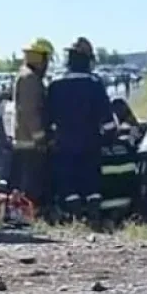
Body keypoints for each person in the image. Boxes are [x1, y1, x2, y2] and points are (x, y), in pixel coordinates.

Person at [46, 37, 117, 229]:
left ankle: (73, 217)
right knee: (91, 181)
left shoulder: (56, 84)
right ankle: (94, 216)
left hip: (64, 143)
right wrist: (110, 138)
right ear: (87, 60)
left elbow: (47, 117)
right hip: (90, 141)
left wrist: (50, 139)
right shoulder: (94, 84)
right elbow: (107, 118)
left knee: (67, 180)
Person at [12, 38, 54, 217]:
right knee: (32, 183)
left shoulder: (28, 76)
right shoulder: (30, 79)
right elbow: (31, 112)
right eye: (46, 59)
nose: (47, 65)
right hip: (30, 142)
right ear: (39, 59)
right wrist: (40, 137)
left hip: (26, 140)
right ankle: (31, 213)